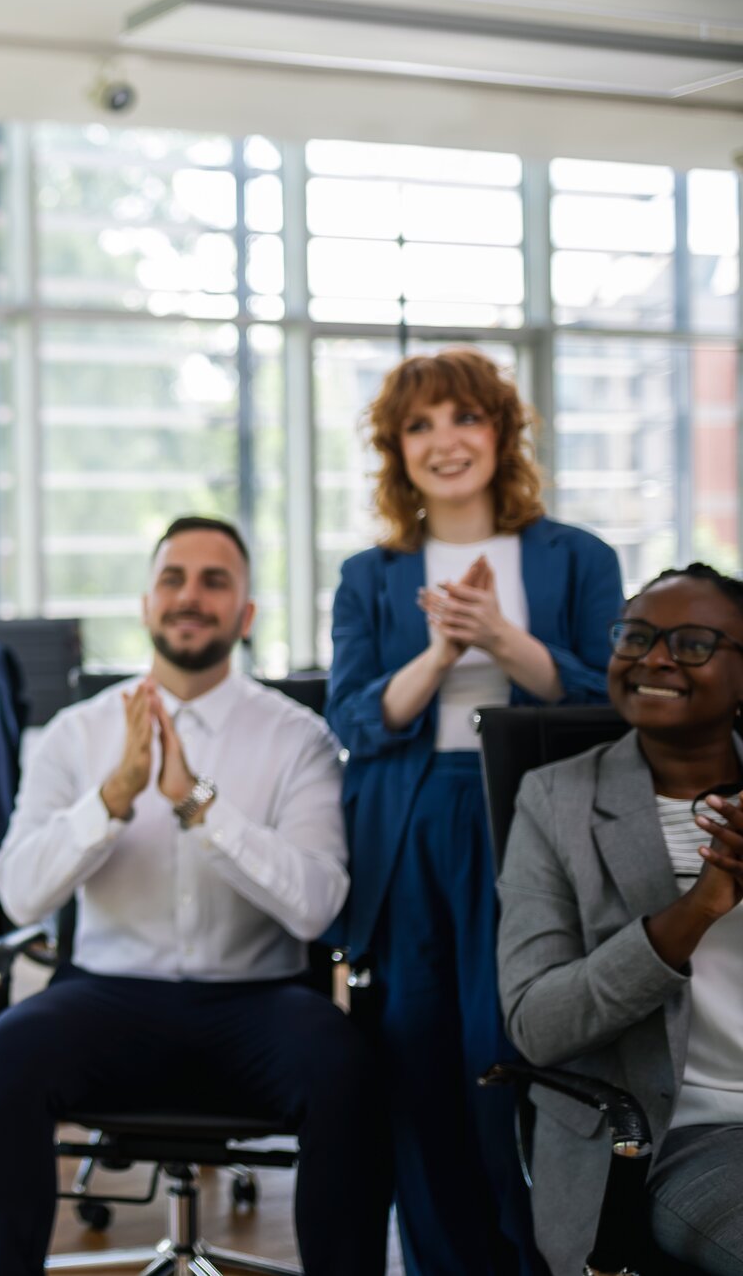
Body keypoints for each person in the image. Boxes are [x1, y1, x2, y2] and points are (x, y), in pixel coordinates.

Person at [0, 517, 391, 1276]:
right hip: (105, 997)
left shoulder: (300, 738)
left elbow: (317, 906)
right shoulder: (74, 734)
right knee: (9, 1051)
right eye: (174, 578)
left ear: (246, 614)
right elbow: (18, 896)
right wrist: (112, 798)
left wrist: (199, 805)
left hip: (258, 1000)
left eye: (214, 580)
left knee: (347, 1067)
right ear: (146, 602)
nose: (190, 596)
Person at [326, 348, 623, 1276]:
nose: (444, 441)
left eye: (464, 417)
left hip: (530, 820)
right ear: (396, 450)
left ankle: (542, 1257)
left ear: (500, 432)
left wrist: (503, 638)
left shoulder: (578, 557)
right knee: (419, 1058)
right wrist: (444, 650)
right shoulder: (370, 575)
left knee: (516, 1049)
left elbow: (611, 700)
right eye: (420, 425)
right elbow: (353, 717)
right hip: (414, 821)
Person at [499, 565, 743, 1276]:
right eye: (636, 636)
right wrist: (695, 910)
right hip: (681, 1133)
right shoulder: (556, 802)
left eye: (693, 641)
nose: (656, 657)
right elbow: (537, 1021)